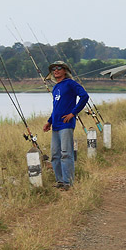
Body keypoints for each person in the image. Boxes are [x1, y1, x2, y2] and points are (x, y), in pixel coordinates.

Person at [42, 60, 89, 190]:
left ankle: (68, 182)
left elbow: (84, 96)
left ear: (65, 70)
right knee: (55, 154)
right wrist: (49, 121)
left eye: (59, 68)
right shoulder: (56, 87)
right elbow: (56, 107)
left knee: (66, 153)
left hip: (66, 124)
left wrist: (73, 113)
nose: (56, 71)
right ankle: (60, 181)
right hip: (55, 125)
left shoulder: (70, 84)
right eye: (53, 69)